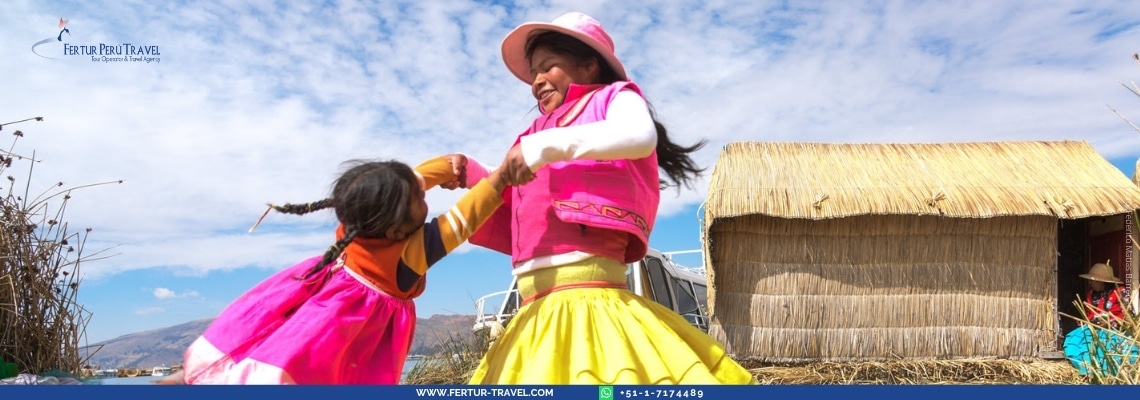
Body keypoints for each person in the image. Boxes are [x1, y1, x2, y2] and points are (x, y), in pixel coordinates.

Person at [446, 12, 756, 384]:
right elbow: (514, 201)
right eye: (533, 73)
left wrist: (546, 146)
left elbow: (639, 135)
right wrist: (472, 173)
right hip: (534, 312)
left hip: (590, 302)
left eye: (548, 67)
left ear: (589, 65)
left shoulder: (613, 99)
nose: (537, 81)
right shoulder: (533, 135)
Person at [181, 156, 508, 384]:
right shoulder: (406, 257)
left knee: (273, 352)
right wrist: (503, 176)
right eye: (419, 199)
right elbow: (462, 220)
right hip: (344, 329)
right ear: (395, 231)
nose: (425, 197)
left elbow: (398, 184)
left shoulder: (359, 223)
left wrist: (451, 164)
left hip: (317, 306)